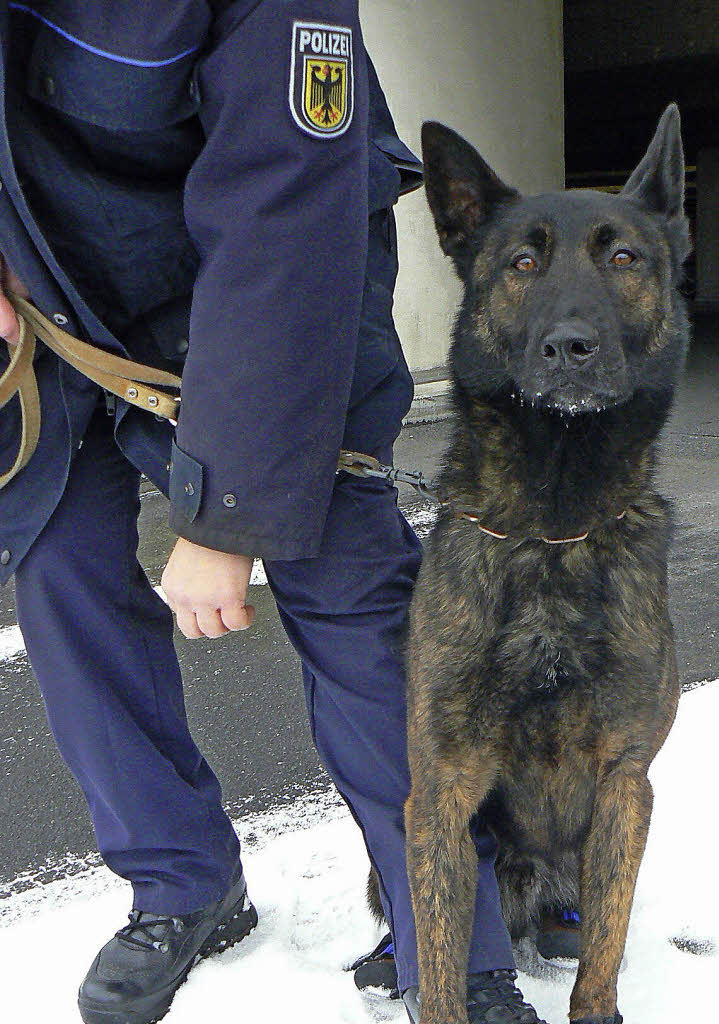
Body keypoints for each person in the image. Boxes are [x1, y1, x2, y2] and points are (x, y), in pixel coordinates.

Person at [0, 3, 547, 1023]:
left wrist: (224, 514)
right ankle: (180, 883)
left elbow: (287, 212)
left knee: (344, 585)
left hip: (268, 295)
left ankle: (450, 945)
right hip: (58, 300)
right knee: (57, 569)